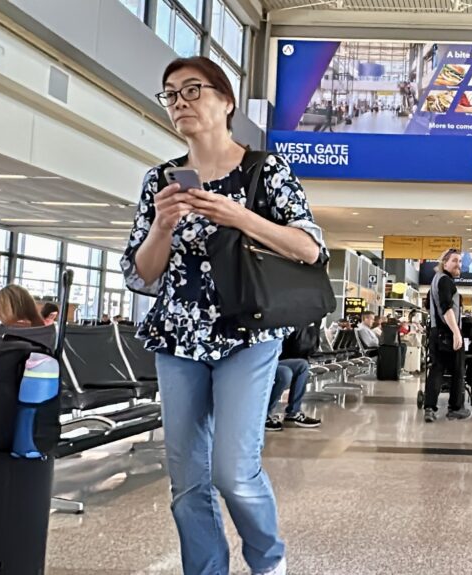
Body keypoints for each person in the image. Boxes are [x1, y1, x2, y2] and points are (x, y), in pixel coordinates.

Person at [121, 56, 326, 575]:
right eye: (171, 94)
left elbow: (309, 248)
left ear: (227, 100)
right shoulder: (161, 180)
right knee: (187, 480)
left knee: (234, 471)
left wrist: (240, 216)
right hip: (178, 336)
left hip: (247, 334)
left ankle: (268, 560)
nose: (180, 102)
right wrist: (161, 227)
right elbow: (141, 275)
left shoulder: (265, 170)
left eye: (193, 89)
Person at [424, 249, 472, 423]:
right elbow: (446, 308)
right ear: (445, 263)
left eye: (460, 261)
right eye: (455, 260)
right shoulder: (445, 281)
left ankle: (429, 408)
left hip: (435, 331)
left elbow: (429, 305)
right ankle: (455, 408)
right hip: (448, 333)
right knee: (458, 370)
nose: (459, 264)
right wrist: (456, 332)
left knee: (436, 369)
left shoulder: (436, 280)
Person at [265, 357, 321, 431]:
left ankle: (293, 412)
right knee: (285, 373)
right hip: (257, 363)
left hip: (271, 360)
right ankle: (264, 415)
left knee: (302, 365)